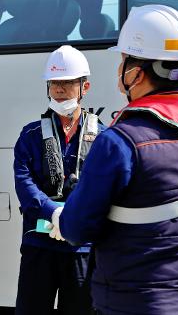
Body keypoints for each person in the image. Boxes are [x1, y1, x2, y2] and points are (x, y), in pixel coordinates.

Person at [57, 5, 178, 314]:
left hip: (131, 302)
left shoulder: (119, 141)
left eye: (123, 60)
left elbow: (76, 229)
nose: (119, 69)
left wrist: (73, 200)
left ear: (136, 72)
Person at [13, 45, 106, 315]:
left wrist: (73, 217)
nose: (59, 90)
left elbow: (103, 187)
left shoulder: (102, 135)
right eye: (54, 83)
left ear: (84, 87)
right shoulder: (30, 135)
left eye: (66, 83)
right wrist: (53, 213)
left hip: (82, 249)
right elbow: (24, 182)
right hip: (38, 243)